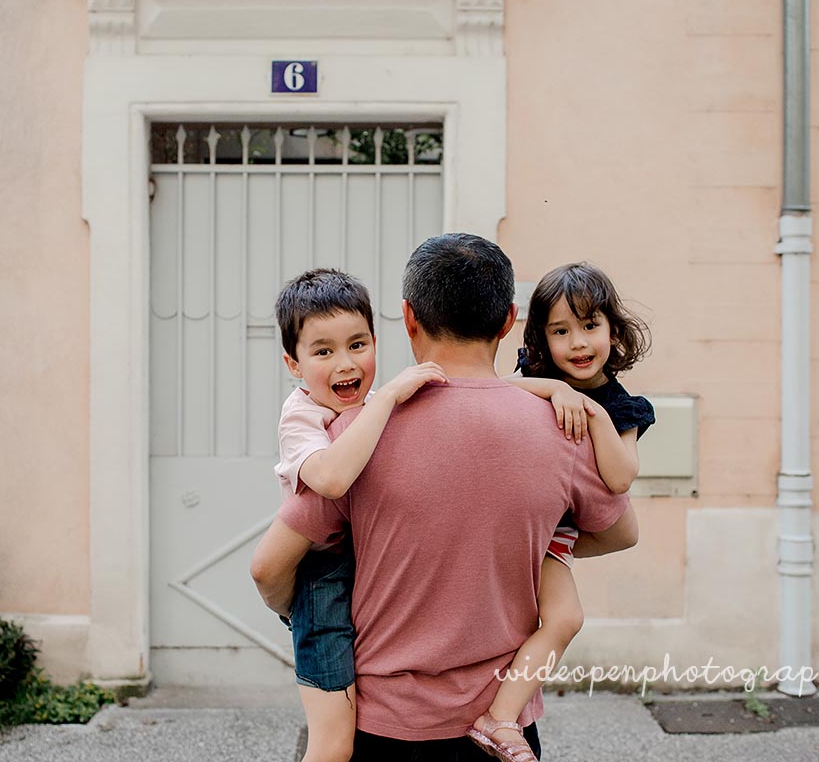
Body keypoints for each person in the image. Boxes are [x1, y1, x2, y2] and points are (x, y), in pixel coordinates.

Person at [252, 234, 638, 761]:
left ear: (408, 317)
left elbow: (268, 568)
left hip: (383, 724)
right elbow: (620, 533)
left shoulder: (357, 433)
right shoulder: (563, 427)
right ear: (508, 321)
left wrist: (298, 614)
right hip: (499, 729)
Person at [252, 268, 447, 762]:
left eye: (358, 344)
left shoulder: (374, 405)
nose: (346, 363)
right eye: (322, 351)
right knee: (335, 744)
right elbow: (333, 479)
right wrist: (388, 399)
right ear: (292, 364)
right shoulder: (302, 417)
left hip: (372, 563)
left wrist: (557, 391)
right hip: (323, 580)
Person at [471, 262, 655, 758]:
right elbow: (493, 390)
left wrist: (592, 410)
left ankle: (500, 716)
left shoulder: (622, 406)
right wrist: (556, 389)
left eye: (590, 325)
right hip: (506, 525)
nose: (578, 342)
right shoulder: (533, 375)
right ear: (540, 338)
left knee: (565, 618)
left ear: (613, 331)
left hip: (555, 538)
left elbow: (620, 477)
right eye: (561, 330)